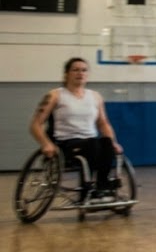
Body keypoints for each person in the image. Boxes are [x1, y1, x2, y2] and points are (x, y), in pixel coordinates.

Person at [28, 57, 123, 202]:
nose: (80, 73)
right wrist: (46, 144)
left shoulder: (95, 96)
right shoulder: (55, 95)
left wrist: (113, 142)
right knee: (93, 144)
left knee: (106, 143)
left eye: (84, 70)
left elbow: (103, 123)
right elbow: (35, 124)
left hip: (91, 142)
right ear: (66, 74)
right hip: (66, 143)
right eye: (75, 70)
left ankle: (102, 187)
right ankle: (89, 190)